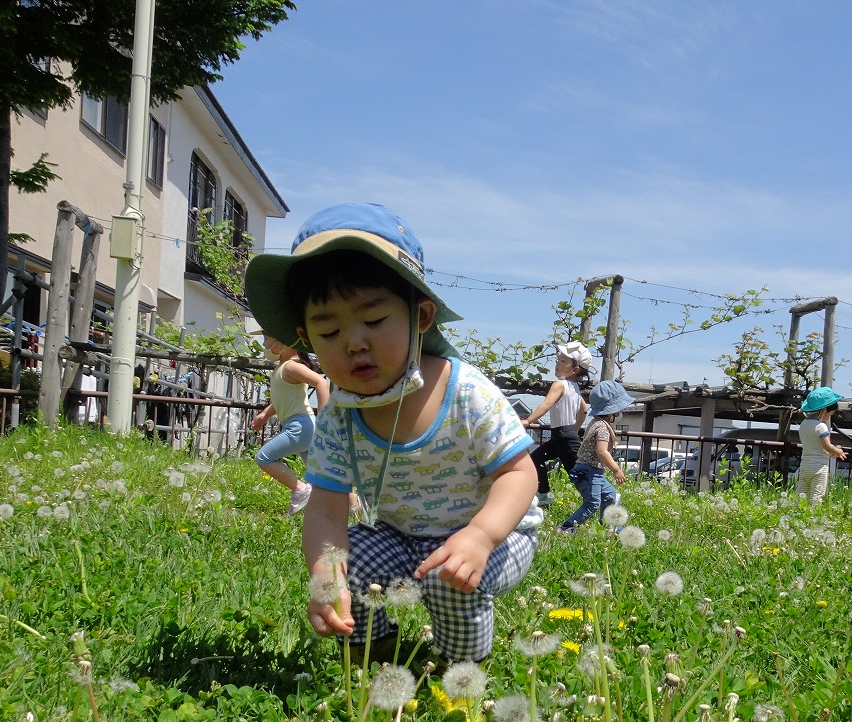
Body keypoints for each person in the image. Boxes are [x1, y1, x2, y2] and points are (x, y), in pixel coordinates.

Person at [245, 202, 541, 664]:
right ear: (305, 338)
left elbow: (519, 474)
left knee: (449, 580)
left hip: (498, 534)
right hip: (400, 537)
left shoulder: (466, 392)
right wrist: (325, 573)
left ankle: (460, 672)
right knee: (349, 561)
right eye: (329, 331)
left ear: (420, 317)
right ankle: (372, 655)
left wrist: (482, 535)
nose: (354, 342)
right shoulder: (339, 415)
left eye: (374, 320)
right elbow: (325, 510)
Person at [250, 334, 330, 516]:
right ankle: (354, 504)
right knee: (322, 474)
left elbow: (321, 383)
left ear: (283, 342)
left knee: (263, 458)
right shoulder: (282, 368)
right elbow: (281, 399)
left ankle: (301, 489)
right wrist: (264, 414)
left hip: (300, 426)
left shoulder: (291, 366)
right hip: (301, 425)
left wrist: (324, 417)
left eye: (266, 338)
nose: (264, 344)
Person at [521, 341, 591, 506]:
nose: (558, 364)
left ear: (575, 369)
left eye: (563, 361)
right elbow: (583, 410)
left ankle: (606, 496)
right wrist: (573, 430)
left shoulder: (559, 385)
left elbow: (546, 405)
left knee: (577, 473)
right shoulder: (575, 388)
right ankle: (543, 494)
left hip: (562, 435)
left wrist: (528, 420)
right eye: (558, 360)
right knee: (535, 459)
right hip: (563, 435)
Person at [558, 380, 629, 533]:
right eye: (619, 409)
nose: (621, 413)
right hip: (589, 471)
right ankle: (565, 529)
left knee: (609, 494)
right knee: (592, 503)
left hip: (592, 471)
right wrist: (616, 470)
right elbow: (601, 452)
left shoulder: (595, 422)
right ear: (611, 411)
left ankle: (611, 526)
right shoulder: (602, 428)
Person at [796, 387, 848, 503]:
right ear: (824, 410)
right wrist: (837, 451)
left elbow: (814, 445)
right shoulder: (821, 426)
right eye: (830, 414)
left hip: (805, 465)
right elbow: (827, 445)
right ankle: (814, 513)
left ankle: (796, 511)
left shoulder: (803, 424)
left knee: (801, 493)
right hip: (819, 466)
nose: (829, 417)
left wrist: (829, 452)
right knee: (817, 495)